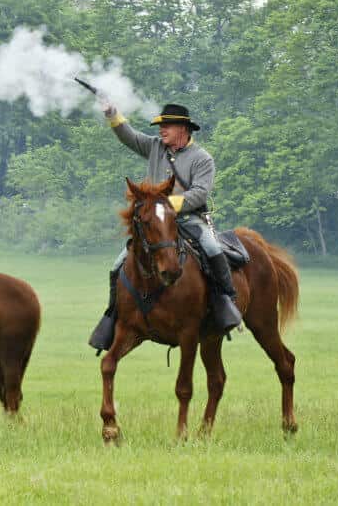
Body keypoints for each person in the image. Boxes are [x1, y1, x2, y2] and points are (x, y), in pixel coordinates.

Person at [88, 102, 242, 352]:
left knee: (212, 248)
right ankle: (113, 314)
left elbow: (200, 194)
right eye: (161, 126)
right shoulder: (155, 147)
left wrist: (166, 206)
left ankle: (226, 302)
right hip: (156, 224)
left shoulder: (202, 159)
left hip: (188, 219)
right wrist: (112, 114)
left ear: (183, 129)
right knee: (117, 265)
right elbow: (129, 136)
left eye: (166, 126)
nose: (161, 130)